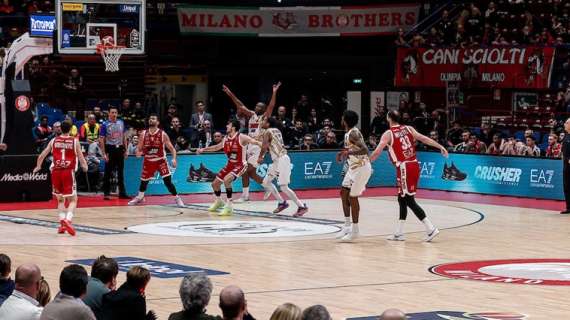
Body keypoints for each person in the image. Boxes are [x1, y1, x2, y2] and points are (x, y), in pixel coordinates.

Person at [370, 110, 448, 242]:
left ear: (388, 118)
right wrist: (440, 146)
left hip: (404, 167)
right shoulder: (409, 128)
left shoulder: (388, 134)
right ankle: (399, 233)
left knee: (409, 200)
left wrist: (366, 163)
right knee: (401, 199)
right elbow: (423, 138)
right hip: (413, 164)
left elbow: (377, 152)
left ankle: (430, 228)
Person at [223, 82, 281, 202]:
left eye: (259, 106)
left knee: (246, 169)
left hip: (258, 146)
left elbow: (272, 105)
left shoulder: (264, 117)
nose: (256, 107)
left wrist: (274, 92)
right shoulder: (252, 115)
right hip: (249, 145)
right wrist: (229, 94)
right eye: (256, 106)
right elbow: (240, 105)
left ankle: (256, 191)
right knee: (249, 173)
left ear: (264, 109)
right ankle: (258, 190)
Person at [33, 121, 88, 236]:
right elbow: (81, 157)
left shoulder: (54, 140)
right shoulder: (74, 141)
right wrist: (85, 167)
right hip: (68, 172)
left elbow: (42, 154)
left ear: (60, 129)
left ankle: (62, 224)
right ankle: (67, 220)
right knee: (73, 200)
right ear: (70, 129)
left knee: (60, 200)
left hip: (56, 171)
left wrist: (38, 166)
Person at [197, 120, 262, 216]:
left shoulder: (241, 137)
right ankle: (219, 202)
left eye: (229, 124)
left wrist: (264, 145)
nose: (227, 126)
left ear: (233, 127)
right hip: (230, 165)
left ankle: (229, 206)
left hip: (241, 165)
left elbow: (254, 141)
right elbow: (216, 147)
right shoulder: (226, 138)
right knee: (215, 184)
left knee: (227, 180)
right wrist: (203, 149)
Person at [128, 114, 185, 207]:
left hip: (160, 161)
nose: (151, 120)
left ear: (157, 122)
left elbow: (172, 149)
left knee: (168, 182)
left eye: (153, 119)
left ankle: (177, 198)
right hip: (148, 160)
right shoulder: (143, 134)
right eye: (150, 119)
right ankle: (140, 197)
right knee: (144, 181)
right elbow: (139, 148)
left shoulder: (163, 134)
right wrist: (138, 153)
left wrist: (174, 159)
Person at [258, 117, 308, 216]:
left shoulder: (267, 131)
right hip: (276, 161)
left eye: (263, 121)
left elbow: (264, 146)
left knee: (283, 187)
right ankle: (282, 203)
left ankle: (301, 206)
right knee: (265, 182)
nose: (261, 122)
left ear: (268, 123)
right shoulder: (276, 130)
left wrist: (260, 157)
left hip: (282, 159)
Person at [335, 110, 372, 242]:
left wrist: (347, 152)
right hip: (353, 168)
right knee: (343, 193)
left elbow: (365, 150)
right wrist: (344, 152)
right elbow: (353, 150)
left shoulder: (354, 133)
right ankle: (347, 226)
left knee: (352, 197)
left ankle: (355, 230)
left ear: (345, 120)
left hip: (361, 168)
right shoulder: (349, 133)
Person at [99, 106, 129, 200]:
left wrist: (126, 149)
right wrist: (104, 153)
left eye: (115, 112)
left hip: (119, 149)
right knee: (108, 172)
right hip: (110, 149)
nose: (114, 114)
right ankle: (106, 193)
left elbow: (124, 137)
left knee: (121, 172)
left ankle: (122, 193)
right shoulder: (105, 124)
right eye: (112, 112)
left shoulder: (121, 123)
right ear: (109, 114)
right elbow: (101, 139)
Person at [561, 118, 570, 214]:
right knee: (566, 186)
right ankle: (568, 207)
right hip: (566, 166)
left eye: (566, 122)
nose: (564, 124)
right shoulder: (566, 136)